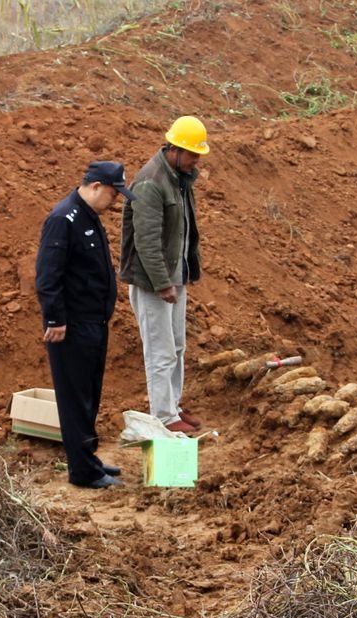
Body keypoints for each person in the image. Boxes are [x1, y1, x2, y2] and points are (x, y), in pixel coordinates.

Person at [35, 161, 136, 489]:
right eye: (112, 193)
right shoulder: (63, 219)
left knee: (89, 393)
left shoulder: (88, 216)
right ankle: (82, 472)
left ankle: (88, 459)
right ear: (95, 186)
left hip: (93, 323)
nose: (115, 200)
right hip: (73, 326)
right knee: (75, 398)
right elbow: (48, 275)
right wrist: (55, 319)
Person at [119, 115, 209, 434]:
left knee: (178, 346)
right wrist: (162, 283)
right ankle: (162, 414)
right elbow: (146, 240)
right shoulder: (151, 182)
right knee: (160, 350)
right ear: (174, 149)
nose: (196, 160)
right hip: (153, 283)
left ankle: (173, 406)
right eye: (192, 154)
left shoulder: (179, 179)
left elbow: (183, 232)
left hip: (175, 277)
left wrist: (183, 274)